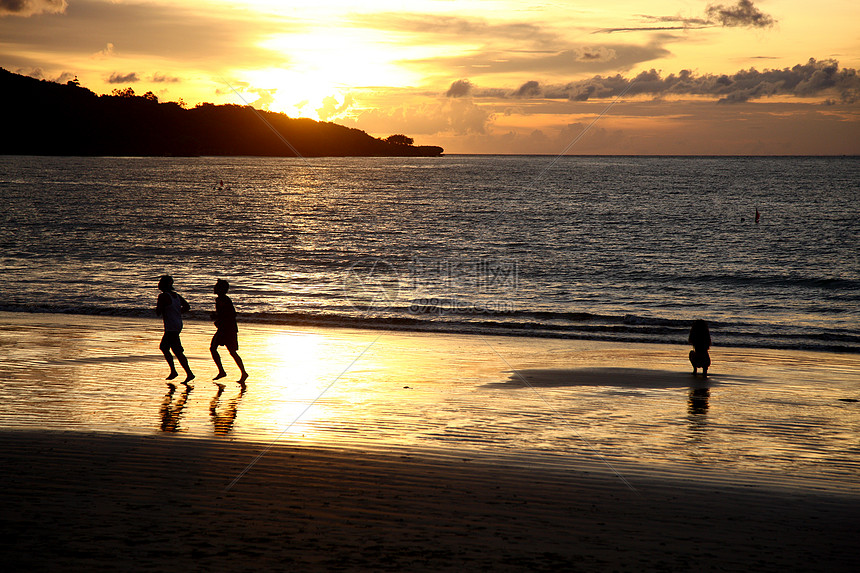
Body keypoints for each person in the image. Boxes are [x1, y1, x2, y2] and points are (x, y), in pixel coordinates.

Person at [155, 275, 194, 383]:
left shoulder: (163, 296)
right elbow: (187, 306)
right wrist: (177, 313)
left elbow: (158, 312)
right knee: (169, 348)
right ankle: (179, 372)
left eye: (160, 282)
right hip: (177, 323)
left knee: (169, 348)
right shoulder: (176, 295)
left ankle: (183, 372)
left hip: (171, 326)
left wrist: (162, 309)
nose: (159, 284)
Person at [210, 279, 248, 385]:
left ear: (221, 289)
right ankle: (241, 373)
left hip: (227, 329)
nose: (214, 288)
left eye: (216, 287)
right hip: (227, 328)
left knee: (215, 348)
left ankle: (224, 371)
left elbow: (231, 314)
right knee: (229, 351)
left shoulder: (223, 300)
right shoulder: (221, 299)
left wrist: (217, 317)